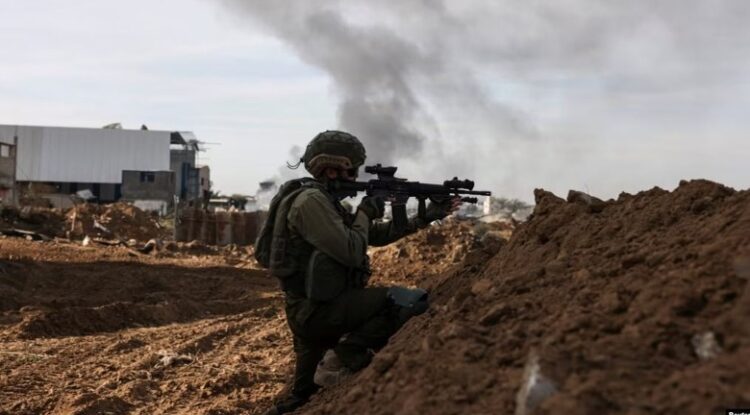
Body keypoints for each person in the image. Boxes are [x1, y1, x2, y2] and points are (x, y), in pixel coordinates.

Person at [263, 130, 458, 415]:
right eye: (352, 170)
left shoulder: (322, 200)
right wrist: (366, 212)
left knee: (302, 398)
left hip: (313, 308)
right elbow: (353, 250)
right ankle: (344, 355)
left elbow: (372, 235)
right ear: (332, 168)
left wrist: (427, 215)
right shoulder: (310, 202)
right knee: (406, 302)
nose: (356, 177)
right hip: (318, 312)